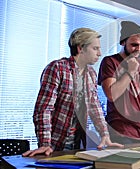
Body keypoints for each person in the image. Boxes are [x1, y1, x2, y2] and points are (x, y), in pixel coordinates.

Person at [23, 28, 124, 157]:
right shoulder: (57, 68)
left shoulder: (91, 74)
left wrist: (105, 135)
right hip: (53, 143)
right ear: (80, 48)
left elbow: (95, 107)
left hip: (76, 143)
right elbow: (44, 109)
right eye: (95, 48)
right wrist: (45, 143)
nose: (100, 53)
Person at [98, 21, 140, 144]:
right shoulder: (110, 62)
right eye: (134, 45)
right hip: (120, 132)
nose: (139, 49)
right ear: (123, 42)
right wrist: (130, 71)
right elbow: (111, 95)